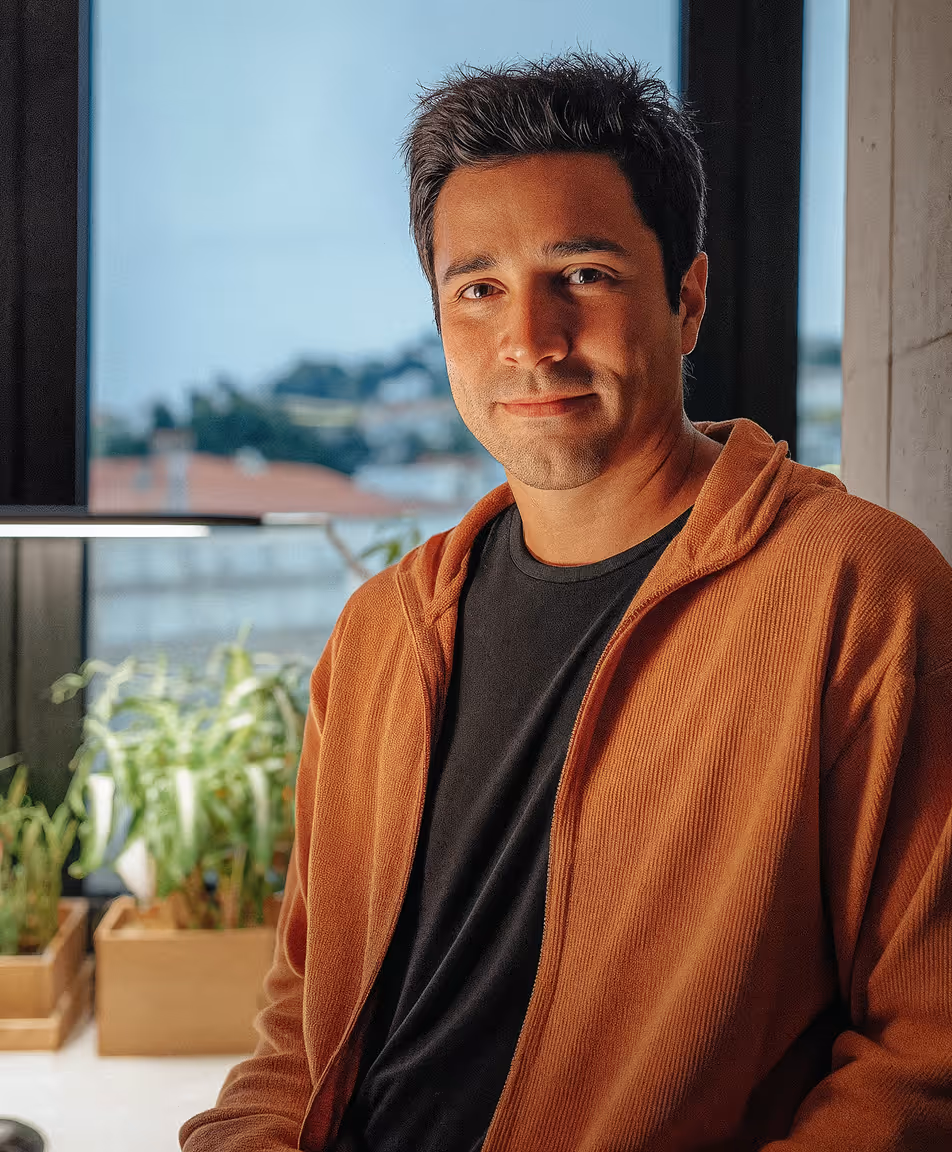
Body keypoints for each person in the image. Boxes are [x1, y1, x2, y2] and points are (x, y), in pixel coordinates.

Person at [180, 52, 952, 1152]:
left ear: (686, 298)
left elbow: (927, 1054)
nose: (529, 341)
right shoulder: (380, 632)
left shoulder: (860, 595)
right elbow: (303, 1023)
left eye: (582, 276)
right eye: (478, 287)